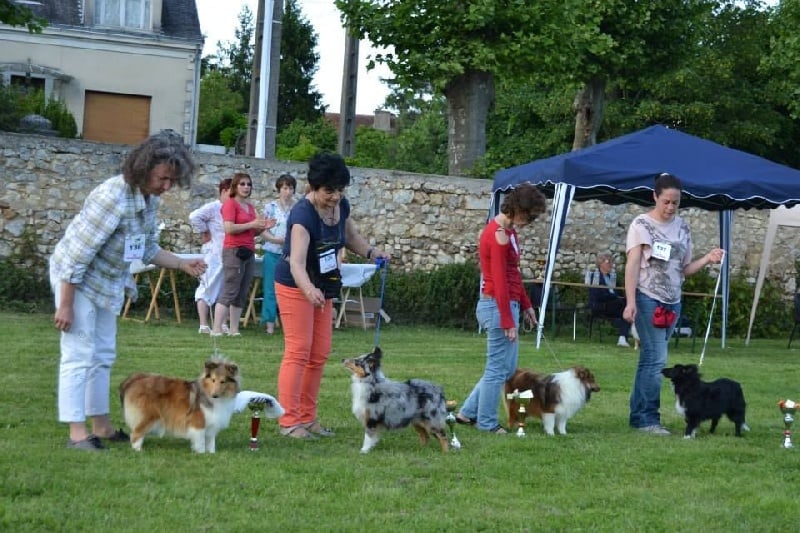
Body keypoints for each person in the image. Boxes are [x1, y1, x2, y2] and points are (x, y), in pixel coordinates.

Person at [50, 130, 207, 451]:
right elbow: (76, 256)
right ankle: (77, 434)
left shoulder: (148, 199)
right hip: (76, 280)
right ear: (143, 167)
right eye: (162, 178)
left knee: (103, 355)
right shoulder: (113, 198)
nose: (166, 186)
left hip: (108, 282)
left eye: (171, 181)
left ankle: (102, 427)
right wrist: (65, 305)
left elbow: (146, 248)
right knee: (78, 355)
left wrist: (181, 263)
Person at [275, 152, 389, 439]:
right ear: (314, 187)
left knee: (319, 354)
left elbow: (350, 237)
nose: (336, 196)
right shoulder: (302, 215)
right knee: (299, 351)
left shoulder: (342, 206)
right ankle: (289, 422)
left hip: (324, 286)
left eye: (340, 190)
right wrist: (308, 289)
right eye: (329, 191)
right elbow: (296, 263)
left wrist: (372, 252)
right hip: (295, 285)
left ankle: (308, 418)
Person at [623, 173, 724, 435]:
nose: (670, 207)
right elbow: (633, 264)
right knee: (657, 360)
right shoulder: (641, 225)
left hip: (673, 301)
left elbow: (684, 269)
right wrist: (630, 301)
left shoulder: (682, 228)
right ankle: (648, 419)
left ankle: (638, 415)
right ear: (655, 197)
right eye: (666, 201)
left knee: (649, 360)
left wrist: (707, 259)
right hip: (647, 298)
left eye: (675, 203)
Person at [456, 183, 547, 434]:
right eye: (528, 216)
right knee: (497, 369)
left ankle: (466, 413)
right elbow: (498, 279)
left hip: (508, 305)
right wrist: (508, 320)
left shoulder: (510, 233)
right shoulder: (496, 235)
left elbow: (513, 275)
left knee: (505, 368)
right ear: (517, 209)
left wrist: (527, 306)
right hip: (496, 305)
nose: (528, 221)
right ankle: (486, 423)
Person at [211, 173, 272, 337]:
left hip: (248, 250)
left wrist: (263, 227)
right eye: (242, 184)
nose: (246, 187)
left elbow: (250, 233)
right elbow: (229, 228)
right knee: (230, 289)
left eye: (249, 184)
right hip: (233, 251)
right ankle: (216, 328)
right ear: (235, 187)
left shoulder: (250, 207)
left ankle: (234, 329)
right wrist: (252, 223)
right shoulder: (230, 205)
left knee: (242, 290)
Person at [189, 178, 232, 334]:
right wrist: (205, 230)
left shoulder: (233, 209)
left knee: (225, 290)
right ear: (223, 192)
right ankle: (203, 323)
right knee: (207, 285)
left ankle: (222, 323)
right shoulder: (214, 207)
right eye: (230, 192)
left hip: (228, 253)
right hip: (213, 253)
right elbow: (194, 216)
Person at [260, 173, 297, 334]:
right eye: (284, 188)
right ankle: (269, 323)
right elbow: (263, 230)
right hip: (273, 251)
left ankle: (289, 323)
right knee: (270, 288)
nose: (287, 191)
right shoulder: (270, 208)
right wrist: (276, 240)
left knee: (290, 290)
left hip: (291, 254)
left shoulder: (297, 208)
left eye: (290, 188)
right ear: (279, 189)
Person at [586, 252, 632, 347]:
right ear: (600, 263)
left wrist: (618, 297)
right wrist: (615, 297)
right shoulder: (595, 276)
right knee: (626, 305)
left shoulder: (612, 276)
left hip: (614, 304)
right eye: (608, 262)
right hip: (601, 305)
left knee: (628, 306)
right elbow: (597, 295)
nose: (611, 264)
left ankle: (623, 336)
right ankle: (625, 335)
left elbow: (619, 291)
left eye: (611, 262)